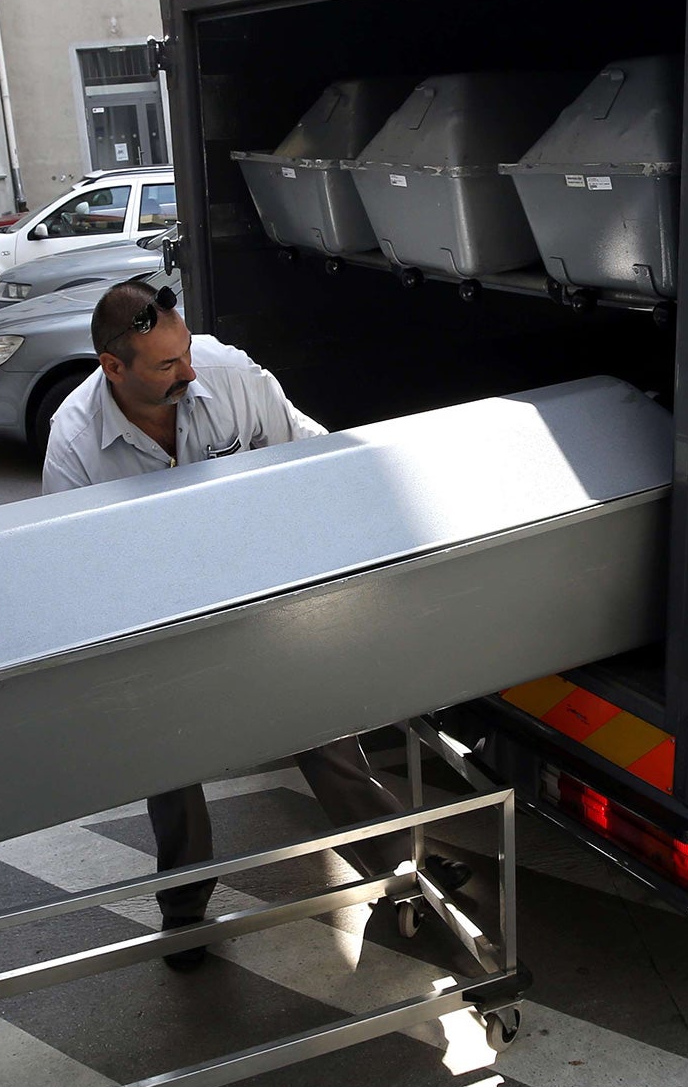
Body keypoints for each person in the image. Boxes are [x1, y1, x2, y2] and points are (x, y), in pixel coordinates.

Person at [41, 281, 464, 968]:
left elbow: (317, 461)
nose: (189, 372)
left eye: (185, 352)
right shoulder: (74, 446)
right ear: (111, 367)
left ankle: (400, 868)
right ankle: (183, 910)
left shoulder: (233, 378)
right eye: (166, 365)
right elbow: (74, 579)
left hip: (259, 599)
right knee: (167, 761)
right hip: (157, 625)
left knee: (320, 725)